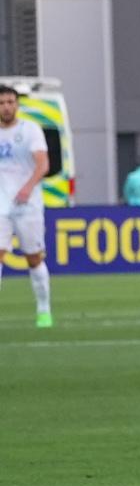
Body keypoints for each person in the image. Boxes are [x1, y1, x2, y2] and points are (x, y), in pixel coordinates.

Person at [0, 85, 54, 328]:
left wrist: (27, 187)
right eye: (2, 103)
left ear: (17, 105)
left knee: (33, 257)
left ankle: (44, 309)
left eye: (10, 102)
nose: (7, 107)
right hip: (1, 204)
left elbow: (42, 165)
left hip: (27, 203)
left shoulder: (30, 130)